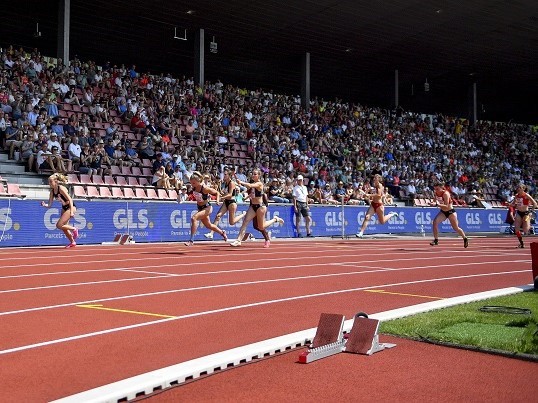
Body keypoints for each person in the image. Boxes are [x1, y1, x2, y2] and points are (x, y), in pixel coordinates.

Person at [230, 169, 284, 248]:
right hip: (253, 206)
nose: (253, 175)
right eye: (253, 173)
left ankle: (275, 219)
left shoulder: (259, 184)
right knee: (245, 222)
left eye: (255, 174)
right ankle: (238, 240)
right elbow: (252, 193)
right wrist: (246, 197)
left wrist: (241, 182)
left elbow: (250, 186)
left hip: (260, 207)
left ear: (259, 176)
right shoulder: (253, 183)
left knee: (261, 227)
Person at [184, 171, 228, 246]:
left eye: (194, 183)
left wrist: (217, 200)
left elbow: (217, 193)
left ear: (198, 181)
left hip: (207, 208)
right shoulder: (194, 186)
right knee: (209, 225)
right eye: (191, 183)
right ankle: (222, 232)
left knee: (194, 218)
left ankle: (191, 240)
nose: (192, 185)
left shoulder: (204, 188)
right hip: (200, 208)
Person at [204, 169, 246, 239]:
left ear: (229, 176)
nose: (224, 176)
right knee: (218, 216)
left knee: (231, 222)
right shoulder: (225, 183)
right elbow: (225, 193)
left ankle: (243, 214)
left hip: (232, 203)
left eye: (226, 174)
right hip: (226, 202)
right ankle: (211, 233)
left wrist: (222, 198)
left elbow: (230, 195)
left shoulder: (231, 183)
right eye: (224, 174)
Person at [41, 173, 78, 248]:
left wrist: (71, 212)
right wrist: (45, 205)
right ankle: (72, 242)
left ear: (56, 181)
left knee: (59, 225)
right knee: (63, 227)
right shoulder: (52, 192)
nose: (49, 184)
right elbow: (50, 204)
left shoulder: (61, 188)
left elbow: (70, 199)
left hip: (70, 207)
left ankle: (74, 229)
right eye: (49, 182)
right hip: (64, 208)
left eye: (51, 182)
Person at [429, 181, 469, 248]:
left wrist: (436, 204)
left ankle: (465, 238)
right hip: (443, 212)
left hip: (450, 212)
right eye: (435, 189)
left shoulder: (446, 194)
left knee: (455, 228)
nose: (436, 191)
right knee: (435, 222)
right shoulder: (436, 193)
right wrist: (431, 203)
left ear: (442, 188)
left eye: (437, 189)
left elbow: (447, 206)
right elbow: (434, 200)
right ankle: (436, 240)